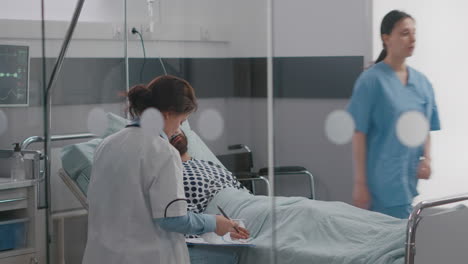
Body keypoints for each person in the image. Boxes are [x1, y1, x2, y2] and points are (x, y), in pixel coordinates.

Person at [82, 75, 248, 264]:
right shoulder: (163, 151)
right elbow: (172, 219)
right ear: (168, 113)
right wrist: (215, 223)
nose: (178, 129)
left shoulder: (106, 145)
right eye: (181, 121)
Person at [347, 10, 441, 219]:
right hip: (379, 184)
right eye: (405, 33)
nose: (413, 39)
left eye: (414, 33)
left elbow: (425, 127)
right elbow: (358, 133)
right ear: (386, 38)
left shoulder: (422, 83)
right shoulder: (371, 81)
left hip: (407, 181)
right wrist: (360, 184)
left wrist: (427, 159)